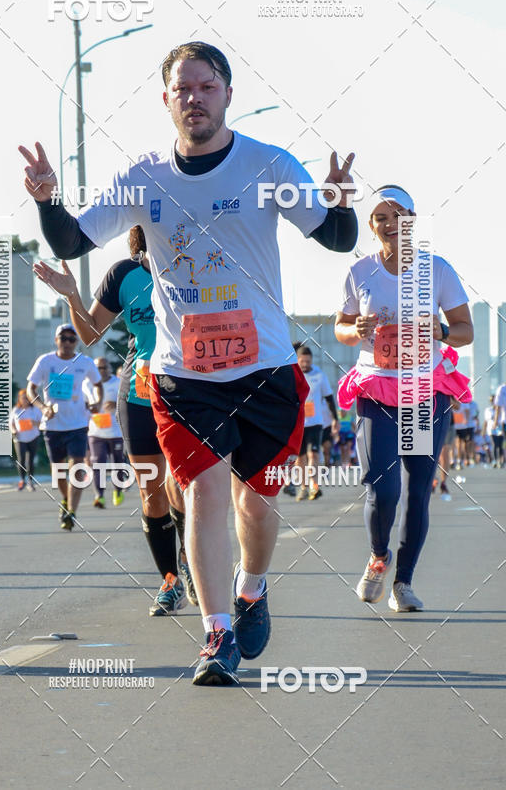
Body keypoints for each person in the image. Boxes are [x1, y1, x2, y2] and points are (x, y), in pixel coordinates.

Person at [20, 40, 357, 685]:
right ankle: (217, 635)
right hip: (183, 374)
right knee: (202, 496)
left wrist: (339, 201)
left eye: (207, 86)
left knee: (255, 505)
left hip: (263, 368)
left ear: (228, 93)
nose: (194, 98)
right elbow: (70, 239)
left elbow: (337, 240)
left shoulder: (267, 164)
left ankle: (252, 587)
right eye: (183, 89)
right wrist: (44, 198)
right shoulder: (144, 177)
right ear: (166, 100)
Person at [34, 226, 196, 616]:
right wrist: (71, 294)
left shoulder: (198, 268)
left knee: (181, 486)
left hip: (190, 389)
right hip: (139, 390)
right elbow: (90, 333)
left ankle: (191, 560)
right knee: (150, 490)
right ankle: (169, 580)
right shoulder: (124, 274)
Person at [335, 186, 473, 612]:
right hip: (377, 387)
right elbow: (340, 327)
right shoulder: (359, 271)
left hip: (423, 391)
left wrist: (442, 332)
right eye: (380, 216)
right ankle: (379, 556)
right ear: (372, 225)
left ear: (413, 220)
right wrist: (355, 328)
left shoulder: (438, 270)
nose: (390, 223)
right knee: (383, 486)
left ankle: (404, 583)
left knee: (417, 490)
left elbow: (465, 330)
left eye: (398, 214)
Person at [27, 324, 103, 530]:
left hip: (78, 424)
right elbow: (30, 389)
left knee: (77, 467)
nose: (68, 343)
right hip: (52, 425)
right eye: (64, 338)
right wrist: (42, 407)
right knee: (59, 472)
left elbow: (98, 385)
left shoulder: (85, 362)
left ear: (76, 342)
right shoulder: (45, 361)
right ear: (56, 340)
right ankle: (66, 500)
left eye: (72, 339)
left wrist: (97, 403)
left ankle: (71, 512)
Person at [293, 345, 337, 501]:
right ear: (297, 360)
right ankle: (303, 487)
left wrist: (335, 419)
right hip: (298, 423)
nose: (305, 364)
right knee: (301, 457)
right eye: (302, 361)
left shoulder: (319, 375)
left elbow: (329, 398)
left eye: (308, 361)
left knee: (314, 454)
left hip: (316, 422)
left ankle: (314, 485)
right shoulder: (292, 374)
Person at [85, 357, 126, 508]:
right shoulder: (87, 384)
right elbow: (83, 403)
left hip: (116, 431)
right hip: (96, 431)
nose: (101, 371)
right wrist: (89, 408)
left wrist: (116, 404)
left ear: (109, 367)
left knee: (117, 464)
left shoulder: (118, 382)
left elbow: (126, 401)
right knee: (98, 463)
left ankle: (118, 490)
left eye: (104, 367)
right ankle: (99, 496)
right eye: (98, 368)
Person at [10, 389, 43, 490]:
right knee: (21, 460)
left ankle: (30, 481)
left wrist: (35, 423)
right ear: (19, 399)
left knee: (30, 460)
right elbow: (11, 423)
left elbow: (42, 423)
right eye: (23, 398)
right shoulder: (16, 410)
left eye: (27, 398)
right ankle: (22, 480)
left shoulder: (35, 410)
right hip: (19, 438)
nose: (25, 400)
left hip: (33, 437)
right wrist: (14, 430)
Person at [484, 394, 504, 467]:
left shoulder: (502, 409)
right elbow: (487, 420)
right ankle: (495, 460)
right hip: (491, 429)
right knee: (495, 444)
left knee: (500, 445)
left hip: (500, 429)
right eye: (492, 400)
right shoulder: (488, 410)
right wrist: (483, 431)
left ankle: (501, 461)